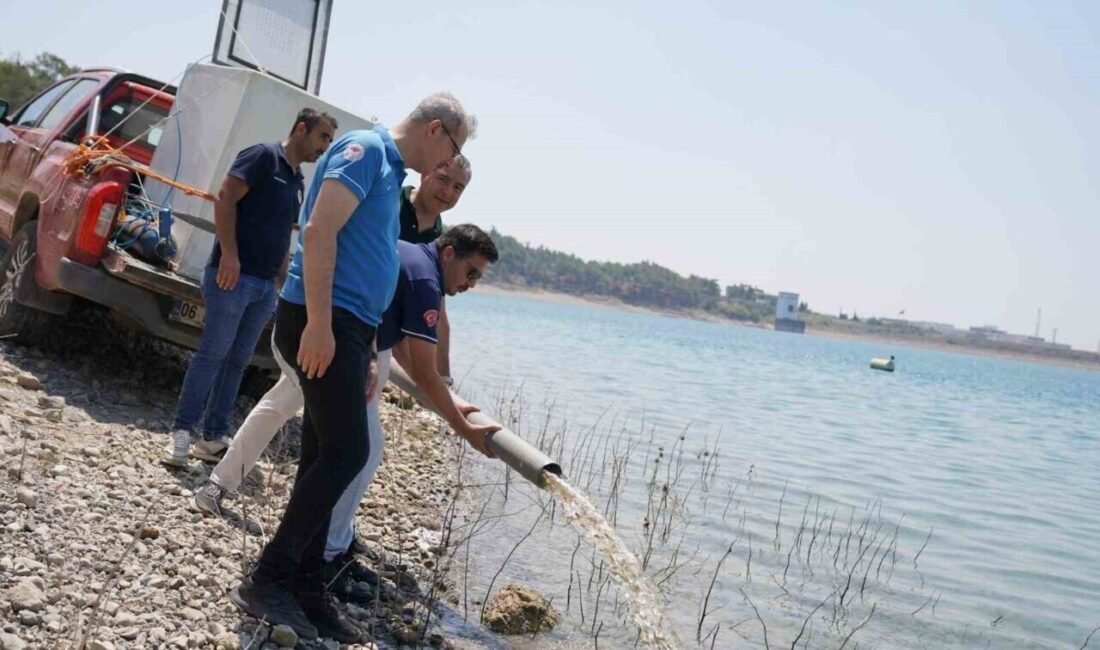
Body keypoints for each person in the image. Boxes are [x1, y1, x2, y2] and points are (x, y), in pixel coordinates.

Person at [229, 94, 488, 644]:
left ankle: (304, 581)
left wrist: (367, 348)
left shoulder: (389, 170)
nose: (448, 164)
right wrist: (321, 326)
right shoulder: (365, 149)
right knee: (349, 451)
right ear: (436, 129)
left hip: (350, 327)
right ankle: (270, 577)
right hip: (323, 317)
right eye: (454, 148)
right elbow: (320, 231)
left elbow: (363, 252)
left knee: (325, 452)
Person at [196, 225, 497, 606]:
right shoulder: (425, 280)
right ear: (450, 253)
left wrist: (448, 402)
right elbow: (422, 368)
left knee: (283, 407)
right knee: (361, 451)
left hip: (334, 338)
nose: (471, 284)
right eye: (472, 273)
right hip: (341, 348)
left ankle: (221, 485)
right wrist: (464, 428)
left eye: (478, 279)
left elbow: (404, 347)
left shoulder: (412, 257)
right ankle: (328, 552)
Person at [194, 156, 473, 515]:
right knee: (305, 413)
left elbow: (438, 315)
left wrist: (443, 381)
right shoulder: (387, 201)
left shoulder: (440, 239)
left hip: (374, 342)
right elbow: (328, 242)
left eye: (458, 188)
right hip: (334, 324)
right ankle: (235, 493)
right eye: (444, 178)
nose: (447, 192)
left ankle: (314, 524)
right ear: (426, 171)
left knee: (332, 431)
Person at [162, 109, 337, 466]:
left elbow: (285, 232)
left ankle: (211, 438)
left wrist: (282, 278)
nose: (325, 147)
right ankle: (180, 433)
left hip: (264, 287)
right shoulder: (262, 156)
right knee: (212, 353)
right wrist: (229, 254)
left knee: (238, 361)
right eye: (322, 138)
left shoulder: (297, 178)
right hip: (232, 277)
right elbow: (225, 198)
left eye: (329, 141)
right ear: (301, 128)